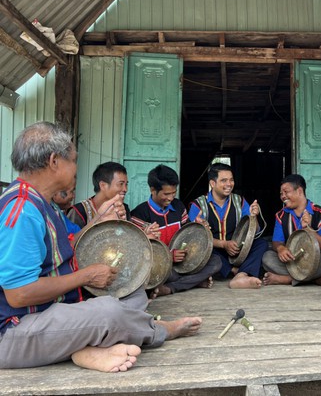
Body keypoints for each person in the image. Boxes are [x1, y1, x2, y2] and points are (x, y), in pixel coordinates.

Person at [0, 122, 202, 372]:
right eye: (73, 160)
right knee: (109, 311)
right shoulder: (22, 211)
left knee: (131, 292)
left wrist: (98, 221)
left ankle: (82, 348)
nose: (76, 168)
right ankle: (158, 330)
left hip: (55, 310)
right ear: (54, 161)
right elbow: (19, 294)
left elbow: (69, 245)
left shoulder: (45, 204)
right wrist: (87, 275)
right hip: (15, 331)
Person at [131, 164, 222, 296]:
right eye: (166, 194)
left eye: (174, 193)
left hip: (184, 262)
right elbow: (140, 252)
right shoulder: (140, 214)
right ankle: (192, 282)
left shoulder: (178, 206)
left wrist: (199, 226)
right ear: (152, 190)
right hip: (163, 266)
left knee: (216, 262)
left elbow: (188, 232)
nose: (170, 198)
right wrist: (169, 256)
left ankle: (170, 288)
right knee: (167, 274)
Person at [189, 163, 268, 289]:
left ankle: (241, 275)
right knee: (202, 250)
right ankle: (236, 271)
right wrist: (224, 244)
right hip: (215, 250)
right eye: (224, 180)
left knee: (261, 243)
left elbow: (255, 230)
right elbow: (194, 238)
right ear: (212, 183)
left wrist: (254, 217)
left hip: (237, 249)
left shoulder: (239, 201)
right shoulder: (198, 205)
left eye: (231, 180)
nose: (229, 184)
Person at [262, 174, 321, 287]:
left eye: (286, 192)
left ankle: (286, 279)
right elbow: (277, 241)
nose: (283, 196)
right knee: (267, 257)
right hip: (294, 262)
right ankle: (315, 280)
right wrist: (280, 248)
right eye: (281, 194)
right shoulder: (281, 215)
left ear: (299, 191)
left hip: (316, 261)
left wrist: (308, 229)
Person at [67, 161, 130, 228]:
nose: (125, 189)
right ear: (103, 185)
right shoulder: (79, 211)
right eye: (121, 184)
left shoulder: (123, 209)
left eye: (126, 184)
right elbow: (71, 238)